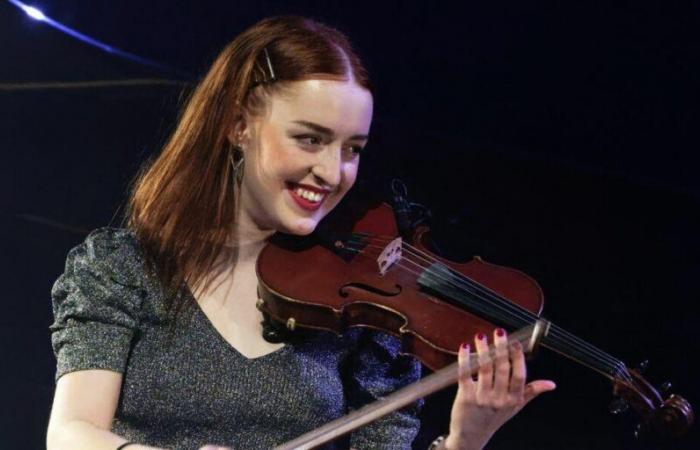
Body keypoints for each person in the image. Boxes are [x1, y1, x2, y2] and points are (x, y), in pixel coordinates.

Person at [45, 15, 555, 450]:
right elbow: (70, 432)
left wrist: (465, 441)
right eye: (310, 139)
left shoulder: (365, 314)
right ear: (238, 125)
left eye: (352, 148)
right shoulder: (126, 267)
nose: (333, 173)